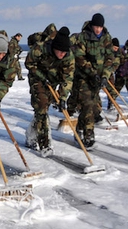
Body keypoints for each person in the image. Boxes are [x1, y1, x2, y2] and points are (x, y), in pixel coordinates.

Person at [25, 27, 75, 155]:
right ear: (54, 47)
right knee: (41, 106)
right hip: (38, 79)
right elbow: (29, 63)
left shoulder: (68, 57)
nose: (62, 55)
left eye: (64, 52)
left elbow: (67, 79)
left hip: (53, 81)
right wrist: (42, 77)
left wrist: (63, 97)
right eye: (60, 52)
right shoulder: (40, 48)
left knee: (42, 110)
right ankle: (45, 144)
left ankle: (31, 133)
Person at [72, 13, 115, 148]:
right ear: (92, 25)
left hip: (98, 78)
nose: (98, 30)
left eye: (100, 27)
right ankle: (89, 134)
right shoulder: (84, 37)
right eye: (96, 26)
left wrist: (105, 75)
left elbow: (110, 58)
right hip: (84, 77)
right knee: (88, 104)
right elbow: (80, 57)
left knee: (90, 106)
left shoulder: (106, 38)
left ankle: (79, 127)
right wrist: (92, 73)